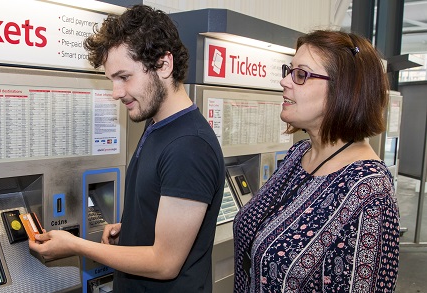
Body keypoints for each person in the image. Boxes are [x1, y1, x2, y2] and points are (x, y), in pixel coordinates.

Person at [28, 4, 225, 292]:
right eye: (112, 80)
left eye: (125, 77)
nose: (116, 93)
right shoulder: (157, 124)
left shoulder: (189, 146)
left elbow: (164, 263)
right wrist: (132, 229)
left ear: (164, 65)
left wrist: (75, 245)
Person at [233, 29, 400, 292]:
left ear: (343, 89)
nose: (285, 82)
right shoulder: (298, 154)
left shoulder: (370, 194)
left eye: (301, 74)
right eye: (289, 71)